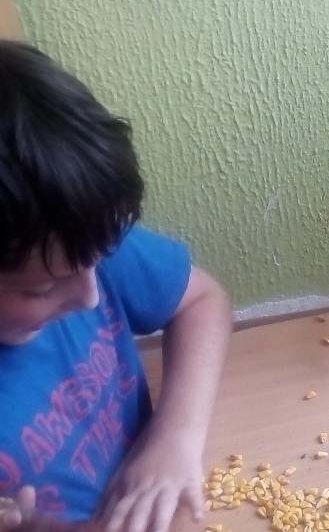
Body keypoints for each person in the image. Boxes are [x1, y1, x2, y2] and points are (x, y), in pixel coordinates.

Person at [0, 39, 233, 531]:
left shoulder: (70, 235)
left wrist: (176, 437)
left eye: (97, 263)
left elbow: (202, 299)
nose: (90, 296)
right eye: (41, 289)